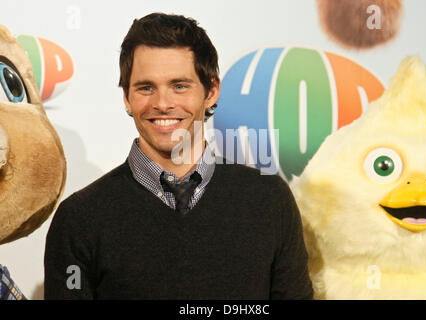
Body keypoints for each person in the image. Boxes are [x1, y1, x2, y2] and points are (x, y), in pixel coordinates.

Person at [44, 12, 313, 299]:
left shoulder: (269, 199)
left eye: (179, 86)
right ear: (127, 97)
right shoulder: (79, 218)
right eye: (146, 88)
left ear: (211, 92)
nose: (162, 104)